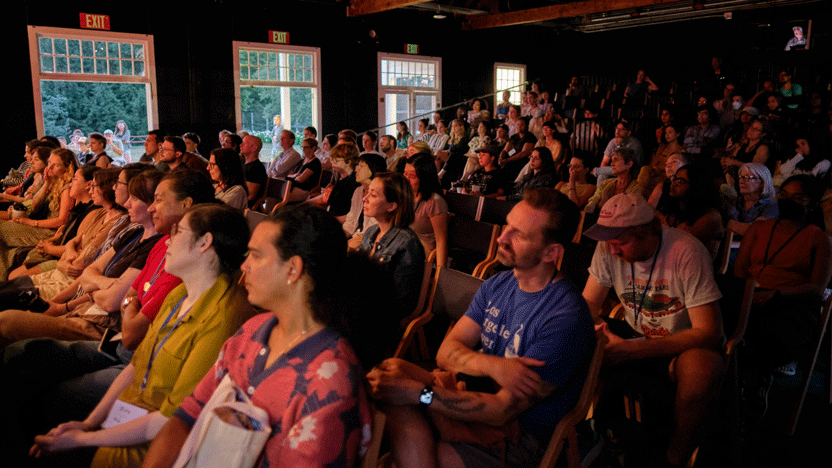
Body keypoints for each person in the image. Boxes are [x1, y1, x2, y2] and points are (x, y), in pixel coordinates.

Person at [368, 188, 595, 468]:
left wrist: (418, 394)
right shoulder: (499, 284)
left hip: (520, 435)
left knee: (404, 414)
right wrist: (494, 366)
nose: (502, 238)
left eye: (519, 235)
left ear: (551, 252)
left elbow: (502, 411)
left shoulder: (565, 318)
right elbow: (445, 353)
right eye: (507, 226)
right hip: (475, 392)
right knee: (390, 372)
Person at [143, 205, 379, 468]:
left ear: (293, 269)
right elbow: (187, 415)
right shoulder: (253, 331)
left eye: (255, 255)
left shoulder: (329, 379)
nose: (244, 265)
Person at [28, 204, 253, 468]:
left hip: (154, 448)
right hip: (125, 418)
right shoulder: (180, 293)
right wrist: (89, 423)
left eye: (178, 231)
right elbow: (137, 364)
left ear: (205, 243)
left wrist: (83, 439)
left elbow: (176, 418)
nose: (168, 240)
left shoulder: (224, 319)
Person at [582, 193, 724, 467]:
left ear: (648, 232)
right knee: (571, 333)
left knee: (703, 369)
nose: (613, 250)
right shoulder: (609, 246)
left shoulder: (686, 251)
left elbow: (709, 332)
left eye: (621, 242)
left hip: (680, 344)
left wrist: (633, 350)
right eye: (609, 241)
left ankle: (674, 459)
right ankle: (587, 433)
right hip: (632, 332)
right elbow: (588, 304)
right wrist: (595, 332)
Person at [733, 174, 831, 411]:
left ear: (810, 204)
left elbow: (817, 287)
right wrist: (749, 295)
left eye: (797, 198)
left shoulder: (819, 239)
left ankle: (753, 386)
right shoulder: (759, 228)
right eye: (784, 195)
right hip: (753, 294)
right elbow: (740, 271)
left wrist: (776, 294)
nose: (787, 201)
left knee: (765, 332)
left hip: (792, 301)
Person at [0, 148, 79, 280]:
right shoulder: (54, 182)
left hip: (49, 232)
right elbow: (34, 205)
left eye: (56, 165)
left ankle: (2, 279)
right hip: (40, 226)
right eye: (49, 163)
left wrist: (30, 222)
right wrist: (47, 183)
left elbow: (61, 221)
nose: (50, 167)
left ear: (67, 168)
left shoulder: (67, 188)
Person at [359, 172, 425, 319]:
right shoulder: (371, 232)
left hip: (379, 316)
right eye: (367, 192)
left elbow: (402, 302)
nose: (365, 198)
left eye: (373, 195)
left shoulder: (407, 243)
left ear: (391, 206)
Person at [657, 164, 725, 259]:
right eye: (674, 179)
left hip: (694, 265)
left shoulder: (711, 217)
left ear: (695, 185)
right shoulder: (673, 212)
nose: (674, 184)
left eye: (680, 181)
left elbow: (683, 246)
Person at [404, 153, 449, 267]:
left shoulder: (434, 202)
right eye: (405, 174)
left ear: (424, 178)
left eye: (412, 176)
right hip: (403, 247)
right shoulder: (406, 195)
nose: (406, 179)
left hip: (420, 254)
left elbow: (441, 240)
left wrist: (440, 272)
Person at [344, 153, 387, 248]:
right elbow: (350, 223)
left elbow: (370, 232)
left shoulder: (380, 194)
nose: (356, 170)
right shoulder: (358, 191)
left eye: (361, 166)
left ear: (373, 169)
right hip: (357, 237)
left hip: (370, 242)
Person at [726, 162, 778, 236]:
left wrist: (731, 225)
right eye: (740, 177)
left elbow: (758, 230)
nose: (741, 181)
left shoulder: (771, 205)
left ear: (762, 183)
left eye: (747, 177)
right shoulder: (734, 202)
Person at [585, 147, 643, 214]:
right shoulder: (605, 183)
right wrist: (589, 207)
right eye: (612, 160)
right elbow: (594, 199)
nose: (611, 164)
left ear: (629, 164)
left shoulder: (636, 188)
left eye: (616, 160)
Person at [638, 123, 684, 198]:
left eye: (670, 132)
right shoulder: (662, 147)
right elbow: (654, 162)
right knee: (645, 169)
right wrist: (655, 168)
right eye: (666, 133)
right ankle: (637, 194)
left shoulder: (680, 151)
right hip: (656, 172)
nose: (667, 135)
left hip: (667, 175)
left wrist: (662, 168)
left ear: (677, 134)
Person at [285, 137, 323, 203]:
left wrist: (293, 176)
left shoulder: (315, 163)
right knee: (275, 193)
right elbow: (290, 174)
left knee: (281, 195)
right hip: (295, 186)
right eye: (302, 147)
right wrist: (295, 175)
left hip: (305, 190)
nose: (303, 149)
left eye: (306, 147)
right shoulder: (302, 161)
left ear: (313, 148)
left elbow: (301, 179)